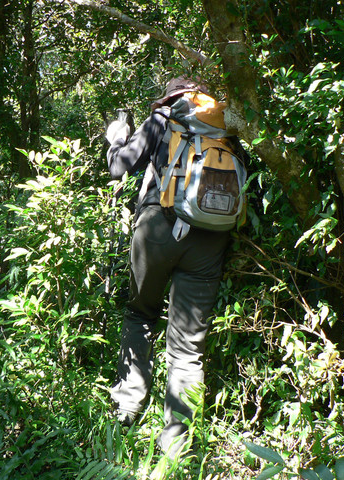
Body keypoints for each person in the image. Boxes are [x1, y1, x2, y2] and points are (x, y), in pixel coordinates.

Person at [105, 76, 236, 456]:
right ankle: (178, 444)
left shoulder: (163, 119)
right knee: (188, 347)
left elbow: (119, 166)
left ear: (170, 98)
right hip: (211, 238)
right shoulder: (225, 127)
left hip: (159, 228)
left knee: (140, 313)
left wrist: (116, 139)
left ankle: (127, 408)